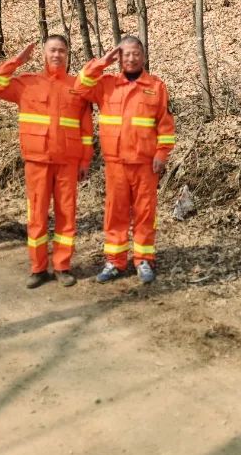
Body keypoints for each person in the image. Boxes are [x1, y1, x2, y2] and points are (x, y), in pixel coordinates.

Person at [0, 36, 93, 288]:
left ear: (67, 55)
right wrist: (16, 61)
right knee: (36, 215)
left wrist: (85, 160)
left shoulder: (77, 87)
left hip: (68, 161)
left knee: (66, 215)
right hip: (37, 161)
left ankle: (62, 266)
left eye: (62, 51)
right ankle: (37, 268)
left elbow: (86, 129)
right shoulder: (27, 83)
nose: (57, 55)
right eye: (52, 50)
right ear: (45, 53)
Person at [75, 36, 175, 284]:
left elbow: (165, 125)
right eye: (126, 54)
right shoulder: (106, 84)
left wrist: (162, 154)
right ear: (119, 58)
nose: (131, 58)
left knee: (144, 213)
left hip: (145, 164)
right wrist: (101, 63)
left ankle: (143, 260)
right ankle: (115, 261)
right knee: (115, 213)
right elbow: (80, 87)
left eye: (135, 54)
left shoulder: (156, 86)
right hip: (116, 163)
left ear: (143, 56)